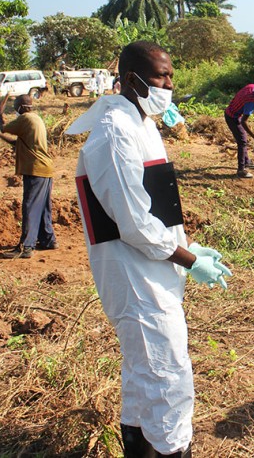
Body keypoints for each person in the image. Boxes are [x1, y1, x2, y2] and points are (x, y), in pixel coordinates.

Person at [65, 41, 231, 457]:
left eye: (171, 75)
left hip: (154, 271)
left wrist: (188, 245)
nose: (169, 84)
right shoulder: (114, 135)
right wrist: (189, 260)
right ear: (134, 79)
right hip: (135, 280)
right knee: (169, 379)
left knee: (144, 379)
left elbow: (156, 207)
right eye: (162, 76)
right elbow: (135, 223)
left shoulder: (142, 124)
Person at [0, 94, 57, 259]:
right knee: (42, 207)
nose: (15, 109)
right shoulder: (35, 119)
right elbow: (17, 143)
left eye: (15, 106)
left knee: (30, 206)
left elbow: (4, 127)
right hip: (45, 168)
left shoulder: (25, 119)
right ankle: (48, 240)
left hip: (35, 169)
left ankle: (26, 247)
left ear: (20, 107)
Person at [224, 83, 254, 178]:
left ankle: (247, 162)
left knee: (243, 139)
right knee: (242, 141)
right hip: (232, 117)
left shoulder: (252, 86)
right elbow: (243, 122)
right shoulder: (250, 102)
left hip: (232, 111)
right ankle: (241, 170)